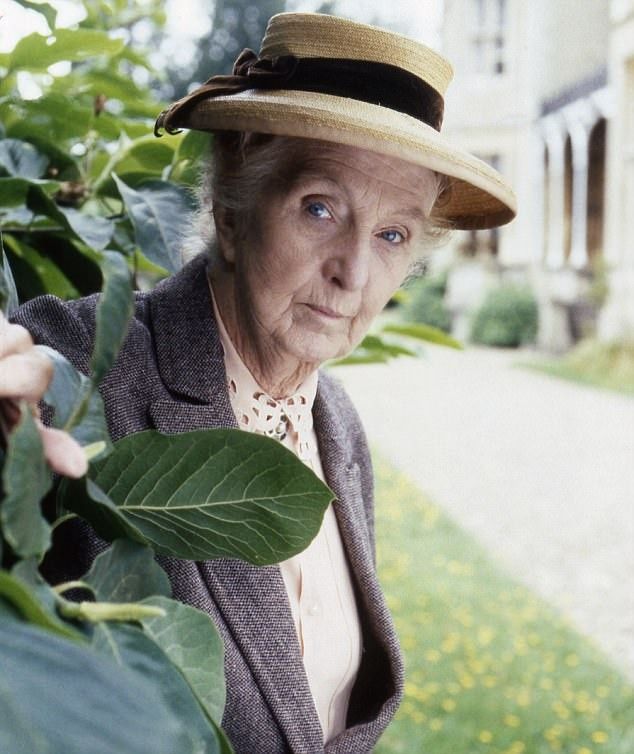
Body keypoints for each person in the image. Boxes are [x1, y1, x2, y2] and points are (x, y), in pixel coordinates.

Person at [1, 12, 515, 753]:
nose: (354, 272)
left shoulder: (337, 426)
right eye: (319, 208)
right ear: (235, 210)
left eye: (393, 234)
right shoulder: (82, 359)